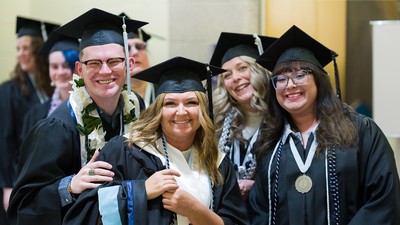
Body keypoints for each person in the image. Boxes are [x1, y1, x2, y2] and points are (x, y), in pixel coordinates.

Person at [62, 56, 250, 225]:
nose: (182, 112)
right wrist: (140, 191)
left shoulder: (217, 162)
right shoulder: (126, 150)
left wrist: (194, 210)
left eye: (191, 102)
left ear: (202, 109)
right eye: (170, 103)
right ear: (157, 111)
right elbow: (90, 211)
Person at [7, 8, 147, 225]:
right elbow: (24, 206)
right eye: (94, 63)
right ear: (79, 70)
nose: (105, 71)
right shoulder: (57, 127)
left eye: (114, 61)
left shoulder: (137, 107)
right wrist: (70, 185)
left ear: (129, 65)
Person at [249, 25, 400, 225]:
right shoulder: (269, 143)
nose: (290, 85)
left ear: (319, 80)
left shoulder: (361, 131)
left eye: (300, 74)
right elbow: (259, 210)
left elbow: (384, 200)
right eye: (281, 79)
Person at [0, 16, 59, 214]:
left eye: (25, 48)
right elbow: (5, 140)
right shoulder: (9, 91)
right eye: (17, 49)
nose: (20, 54)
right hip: (19, 175)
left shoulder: (53, 88)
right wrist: (8, 185)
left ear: (38, 50)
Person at [210, 32, 276, 200]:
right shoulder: (217, 123)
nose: (236, 78)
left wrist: (257, 188)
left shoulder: (282, 119)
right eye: (227, 75)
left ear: (258, 69)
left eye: (242, 68)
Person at [21, 32, 80, 138]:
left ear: (78, 68)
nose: (60, 72)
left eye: (66, 66)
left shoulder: (91, 109)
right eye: (54, 67)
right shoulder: (35, 115)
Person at [120, 12, 156, 107]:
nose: (135, 52)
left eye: (139, 47)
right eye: (127, 49)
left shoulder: (164, 93)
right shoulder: (111, 101)